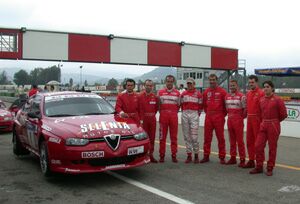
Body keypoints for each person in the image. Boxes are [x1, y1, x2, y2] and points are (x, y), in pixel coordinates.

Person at [250, 81, 287, 176]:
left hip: (274, 125)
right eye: (264, 87)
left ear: (272, 88)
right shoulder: (261, 100)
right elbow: (259, 113)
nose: (265, 88)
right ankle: (259, 166)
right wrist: (264, 122)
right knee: (258, 145)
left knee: (272, 148)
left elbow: (283, 114)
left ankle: (270, 167)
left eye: (267, 87)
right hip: (263, 124)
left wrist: (274, 122)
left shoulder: (278, 99)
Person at [200, 74, 227, 164]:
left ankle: (222, 157)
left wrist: (221, 115)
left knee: (220, 138)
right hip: (209, 116)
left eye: (213, 80)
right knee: (207, 137)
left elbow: (225, 106)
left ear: (217, 80)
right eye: (210, 80)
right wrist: (209, 113)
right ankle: (206, 156)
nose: (212, 81)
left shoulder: (223, 92)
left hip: (219, 117)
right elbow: (204, 105)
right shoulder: (206, 92)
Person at [158, 75, 180, 163]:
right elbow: (158, 106)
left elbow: (178, 106)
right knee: (162, 137)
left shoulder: (177, 93)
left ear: (173, 82)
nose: (169, 83)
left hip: (173, 116)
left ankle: (174, 155)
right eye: (168, 81)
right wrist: (163, 112)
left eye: (171, 81)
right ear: (165, 82)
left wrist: (172, 112)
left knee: (174, 137)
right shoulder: (160, 92)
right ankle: (162, 155)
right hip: (163, 116)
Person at [244, 75, 264, 168]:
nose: (251, 84)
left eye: (252, 82)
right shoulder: (248, 93)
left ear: (257, 82)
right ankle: (251, 160)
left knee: (258, 142)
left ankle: (259, 163)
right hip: (249, 119)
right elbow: (247, 107)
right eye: (250, 82)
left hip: (258, 119)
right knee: (249, 141)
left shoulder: (261, 93)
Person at [225, 80, 247, 167]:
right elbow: (226, 108)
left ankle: (242, 159)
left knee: (240, 141)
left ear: (237, 86)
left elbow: (246, 109)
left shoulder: (242, 96)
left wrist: (241, 118)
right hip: (230, 119)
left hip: (238, 120)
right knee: (232, 140)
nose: (232, 87)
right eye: (231, 85)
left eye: (233, 85)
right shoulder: (227, 96)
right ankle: (233, 157)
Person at [181, 78, 203, 163]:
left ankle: (196, 155)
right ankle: (189, 155)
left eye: (191, 84)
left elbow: (201, 106)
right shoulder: (183, 94)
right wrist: (185, 113)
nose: (189, 85)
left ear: (194, 84)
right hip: (185, 114)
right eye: (188, 84)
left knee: (194, 137)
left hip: (194, 114)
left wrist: (197, 115)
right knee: (187, 136)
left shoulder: (198, 94)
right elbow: (182, 105)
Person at [139, 79, 159, 163]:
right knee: (143, 138)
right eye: (147, 85)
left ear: (152, 86)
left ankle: (151, 155)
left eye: (150, 85)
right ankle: (143, 155)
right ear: (144, 86)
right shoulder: (139, 96)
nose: (149, 87)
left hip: (152, 120)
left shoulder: (155, 97)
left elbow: (156, 109)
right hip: (143, 120)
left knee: (152, 138)